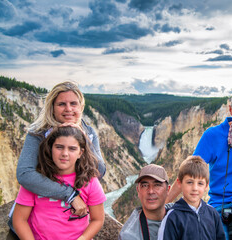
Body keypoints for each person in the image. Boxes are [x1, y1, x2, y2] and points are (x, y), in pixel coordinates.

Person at [9, 81, 106, 228]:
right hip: (38, 215)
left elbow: (99, 171)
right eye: (61, 104)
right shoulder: (38, 134)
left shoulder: (89, 133)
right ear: (52, 108)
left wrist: (82, 138)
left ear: (80, 107)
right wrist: (70, 194)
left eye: (73, 104)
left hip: (71, 222)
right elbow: (25, 174)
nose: (68, 109)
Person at [166, 89, 232, 240]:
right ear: (230, 109)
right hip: (219, 207)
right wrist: (165, 203)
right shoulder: (213, 135)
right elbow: (190, 170)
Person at [13, 126, 106, 240]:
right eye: (59, 147)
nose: (65, 153)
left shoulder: (89, 182)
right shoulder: (36, 181)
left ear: (80, 153)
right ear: (51, 148)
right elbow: (19, 220)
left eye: (72, 149)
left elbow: (98, 219)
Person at [157, 156, 225, 240]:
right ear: (179, 183)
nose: (195, 188)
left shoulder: (213, 214)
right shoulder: (172, 217)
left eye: (200, 183)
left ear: (206, 186)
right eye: (189, 182)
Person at [119, 164, 171, 240]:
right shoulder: (130, 236)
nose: (150, 191)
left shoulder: (178, 213)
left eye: (157, 185)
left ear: (168, 190)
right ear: (138, 191)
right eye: (145, 185)